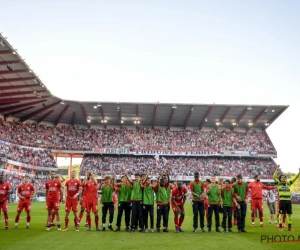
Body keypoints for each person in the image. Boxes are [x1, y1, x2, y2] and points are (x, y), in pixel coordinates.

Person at [273, 165, 300, 231]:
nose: (283, 178)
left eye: (284, 177)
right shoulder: (278, 184)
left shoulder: (288, 183)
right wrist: (277, 170)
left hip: (288, 201)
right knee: (281, 214)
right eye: (282, 177)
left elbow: (295, 178)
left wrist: (299, 172)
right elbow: (274, 177)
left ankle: (289, 227)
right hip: (282, 201)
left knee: (289, 214)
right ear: (280, 179)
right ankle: (280, 226)